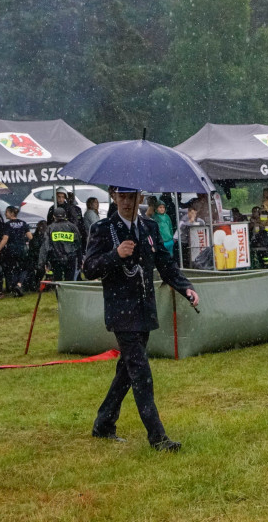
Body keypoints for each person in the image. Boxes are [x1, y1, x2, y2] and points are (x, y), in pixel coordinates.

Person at [85, 187, 199, 451]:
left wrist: (185, 287)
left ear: (140, 198)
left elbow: (165, 263)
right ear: (113, 196)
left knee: (126, 370)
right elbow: (89, 268)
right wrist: (116, 255)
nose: (126, 202)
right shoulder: (103, 228)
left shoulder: (148, 227)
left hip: (144, 311)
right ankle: (157, 437)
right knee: (141, 372)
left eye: (131, 196)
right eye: (121, 196)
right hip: (120, 312)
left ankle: (103, 422)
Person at [0, 206, 32, 297]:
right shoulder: (23, 223)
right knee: (24, 268)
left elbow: (5, 239)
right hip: (22, 248)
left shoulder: (7, 225)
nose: (5, 214)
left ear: (11, 213)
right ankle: (19, 284)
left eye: (6, 212)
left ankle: (15, 287)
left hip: (11, 249)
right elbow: (30, 237)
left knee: (13, 268)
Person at [40, 206, 82, 282]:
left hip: (56, 258)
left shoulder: (50, 228)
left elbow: (45, 246)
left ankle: (59, 293)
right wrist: (80, 259)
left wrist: (42, 262)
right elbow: (78, 244)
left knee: (57, 281)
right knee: (69, 281)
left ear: (53, 216)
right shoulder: (72, 227)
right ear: (65, 216)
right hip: (71, 258)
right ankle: (68, 293)